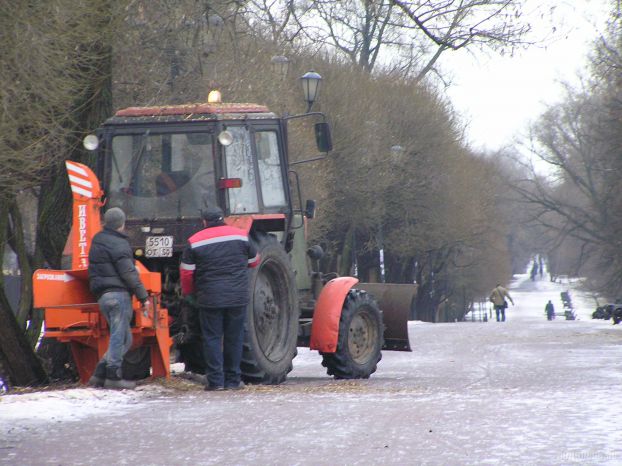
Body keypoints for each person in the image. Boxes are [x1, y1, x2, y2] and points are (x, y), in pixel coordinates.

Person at [180, 206, 259, 391]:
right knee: (234, 337)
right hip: (237, 297)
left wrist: (190, 294)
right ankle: (233, 380)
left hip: (209, 298)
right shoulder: (240, 235)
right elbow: (254, 261)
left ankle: (215, 382)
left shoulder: (194, 241)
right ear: (223, 219)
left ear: (204, 221)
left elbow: (186, 273)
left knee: (212, 338)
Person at [87, 207, 149, 389]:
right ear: (121, 224)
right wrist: (143, 296)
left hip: (103, 296)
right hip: (118, 295)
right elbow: (129, 273)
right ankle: (113, 375)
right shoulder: (119, 244)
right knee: (118, 335)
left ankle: (99, 374)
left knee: (125, 339)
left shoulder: (97, 241)